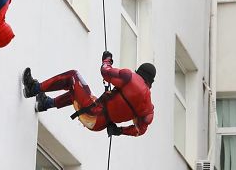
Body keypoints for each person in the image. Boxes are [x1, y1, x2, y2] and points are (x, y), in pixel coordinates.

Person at [22, 52, 155, 137]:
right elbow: (140, 130)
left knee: (72, 76)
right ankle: (45, 103)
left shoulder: (131, 78)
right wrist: (118, 131)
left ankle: (33, 88)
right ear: (150, 82)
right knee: (81, 93)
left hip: (92, 113)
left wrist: (107, 60)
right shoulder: (148, 108)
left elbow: (105, 72)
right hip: (98, 125)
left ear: (139, 72)